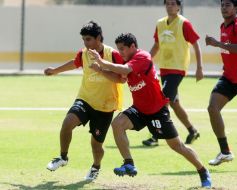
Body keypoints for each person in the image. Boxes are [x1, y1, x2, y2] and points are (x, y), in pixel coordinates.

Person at [88, 33, 212, 188]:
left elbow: (125, 69)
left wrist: (101, 61)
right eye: (118, 49)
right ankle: (129, 164)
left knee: (177, 146)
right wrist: (100, 70)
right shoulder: (127, 60)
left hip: (157, 111)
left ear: (133, 46)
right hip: (139, 109)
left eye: (123, 49)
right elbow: (119, 78)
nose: (120, 53)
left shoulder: (143, 57)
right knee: (117, 124)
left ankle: (202, 171)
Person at [44, 21, 124, 183]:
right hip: (85, 99)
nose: (85, 43)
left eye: (88, 39)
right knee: (67, 123)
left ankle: (96, 167)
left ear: (98, 38)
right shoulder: (83, 53)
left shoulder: (113, 55)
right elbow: (74, 63)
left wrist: (101, 70)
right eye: (83, 40)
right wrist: (55, 71)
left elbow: (121, 79)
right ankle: (63, 157)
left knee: (96, 145)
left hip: (105, 106)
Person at [142, 0, 203, 147]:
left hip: (178, 68)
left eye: (173, 4)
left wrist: (199, 67)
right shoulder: (160, 23)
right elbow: (157, 45)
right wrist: (145, 62)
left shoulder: (184, 23)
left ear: (178, 7)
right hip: (164, 68)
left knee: (162, 100)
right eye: (167, 3)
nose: (169, 6)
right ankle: (192, 130)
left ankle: (156, 135)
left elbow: (195, 43)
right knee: (174, 103)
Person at [206, 0, 237, 166]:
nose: (224, 7)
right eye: (222, 4)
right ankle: (225, 151)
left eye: (228, 4)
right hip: (228, 77)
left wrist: (217, 44)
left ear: (236, 8)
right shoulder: (223, 26)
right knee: (212, 108)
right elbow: (229, 50)